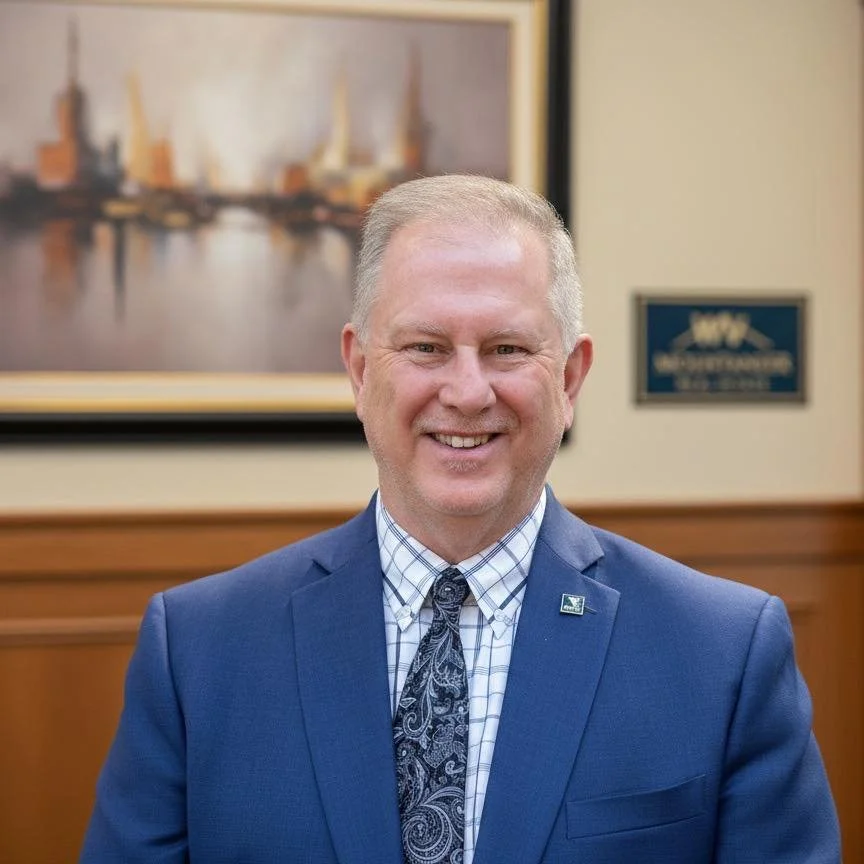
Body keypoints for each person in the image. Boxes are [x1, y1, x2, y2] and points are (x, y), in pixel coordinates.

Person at [80, 174, 840, 863]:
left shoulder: (724, 655)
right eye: (426, 347)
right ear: (359, 368)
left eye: (508, 348)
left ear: (570, 379)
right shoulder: (199, 652)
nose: (468, 391)